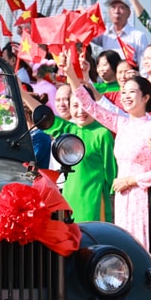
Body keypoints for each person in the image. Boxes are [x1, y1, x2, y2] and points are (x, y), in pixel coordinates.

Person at [73, 72, 151, 256]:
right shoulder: (122, 124)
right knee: (124, 250)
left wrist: (131, 180)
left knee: (143, 251)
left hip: (144, 198)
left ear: (146, 97)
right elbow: (90, 107)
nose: (126, 96)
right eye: (123, 92)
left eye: (132, 92)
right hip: (123, 199)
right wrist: (70, 75)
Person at [46, 82, 116, 223]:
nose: (80, 111)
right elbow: (44, 118)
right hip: (69, 197)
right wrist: (22, 94)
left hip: (94, 200)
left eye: (85, 105)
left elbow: (111, 172)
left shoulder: (102, 134)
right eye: (75, 106)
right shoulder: (69, 130)